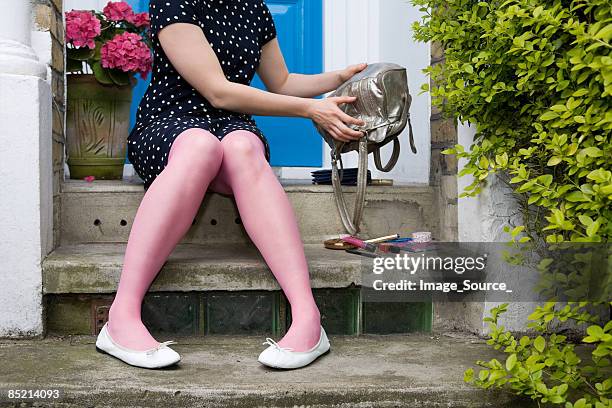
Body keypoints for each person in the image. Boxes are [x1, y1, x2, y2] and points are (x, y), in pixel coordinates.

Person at [95, 0, 367, 370]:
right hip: (169, 123)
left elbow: (283, 82)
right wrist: (310, 109)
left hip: (230, 127)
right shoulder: (174, 3)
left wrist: (339, 78)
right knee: (199, 146)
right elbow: (218, 92)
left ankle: (308, 317)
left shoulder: (253, 9)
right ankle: (121, 316)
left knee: (243, 146)